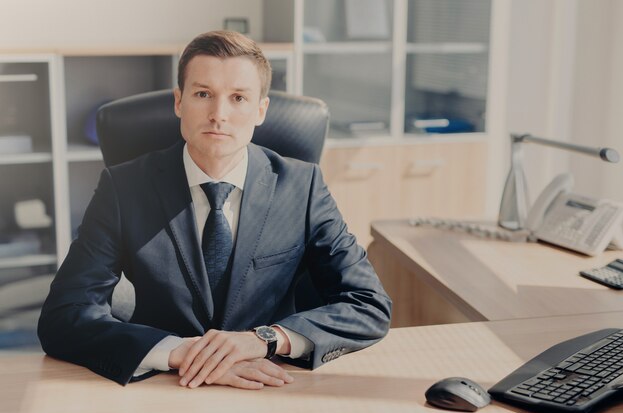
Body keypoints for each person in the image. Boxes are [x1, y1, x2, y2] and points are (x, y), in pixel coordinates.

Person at [38, 30, 391, 390]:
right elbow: (63, 316)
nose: (218, 115)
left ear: (260, 110)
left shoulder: (303, 187)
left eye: (238, 97)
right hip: (164, 385)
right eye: (203, 94)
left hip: (272, 383)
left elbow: (369, 305)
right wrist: (182, 353)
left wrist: (266, 339)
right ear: (179, 102)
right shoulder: (123, 188)